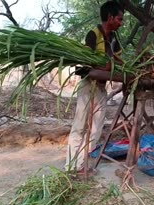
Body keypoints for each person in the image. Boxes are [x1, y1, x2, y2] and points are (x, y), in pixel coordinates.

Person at [65, 1, 124, 174]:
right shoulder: (93, 34)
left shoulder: (114, 38)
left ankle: (81, 164)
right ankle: (71, 168)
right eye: (119, 19)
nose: (121, 23)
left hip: (100, 88)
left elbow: (119, 60)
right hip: (87, 86)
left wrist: (128, 67)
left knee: (96, 129)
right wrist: (104, 67)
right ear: (110, 17)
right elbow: (85, 63)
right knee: (80, 126)